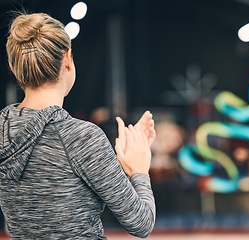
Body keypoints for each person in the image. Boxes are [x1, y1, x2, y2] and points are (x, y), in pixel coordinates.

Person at [0, 12, 156, 239]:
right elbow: (141, 223)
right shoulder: (82, 137)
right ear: (67, 59)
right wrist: (138, 169)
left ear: (14, 69)